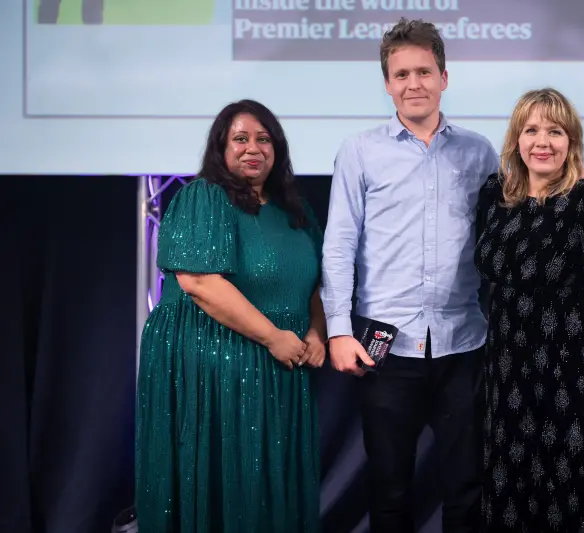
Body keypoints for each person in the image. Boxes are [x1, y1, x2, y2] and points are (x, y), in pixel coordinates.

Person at [320, 18, 499, 533]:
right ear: (387, 83)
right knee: (390, 491)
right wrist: (337, 330)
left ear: (445, 77)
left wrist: (575, 180)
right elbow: (339, 245)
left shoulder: (479, 151)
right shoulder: (359, 151)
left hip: (463, 344)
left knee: (467, 489)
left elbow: (511, 228)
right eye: (401, 74)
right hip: (385, 349)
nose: (413, 83)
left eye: (424, 71)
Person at [135, 99, 326, 533]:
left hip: (281, 366)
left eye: (263, 139)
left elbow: (314, 283)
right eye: (240, 139)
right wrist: (274, 337)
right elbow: (200, 283)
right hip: (213, 365)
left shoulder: (295, 210)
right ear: (221, 147)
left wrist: (316, 332)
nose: (252, 148)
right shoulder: (203, 197)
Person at [475, 88, 584, 532]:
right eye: (531, 130)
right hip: (505, 376)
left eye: (555, 131)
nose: (542, 141)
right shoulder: (495, 196)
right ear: (516, 139)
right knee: (511, 498)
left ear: (571, 141)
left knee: (569, 498)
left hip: (569, 374)